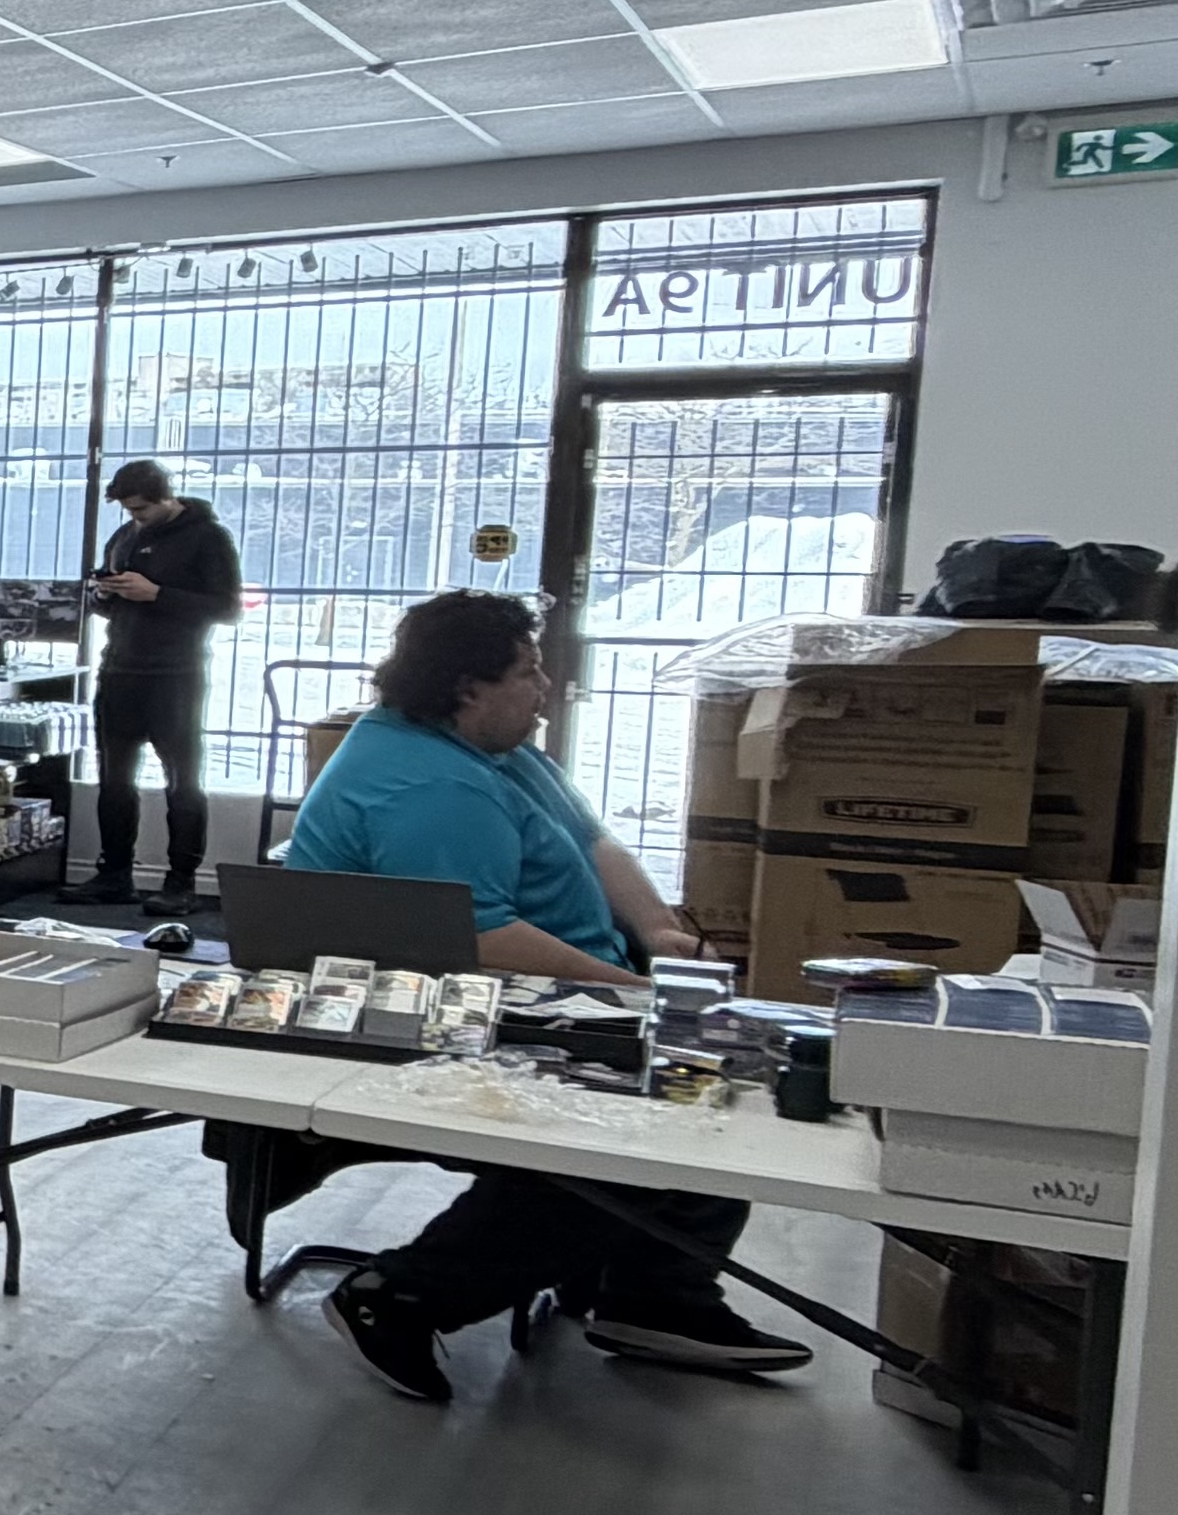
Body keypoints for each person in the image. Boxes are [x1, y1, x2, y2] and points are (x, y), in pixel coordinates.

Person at [280, 589, 814, 1403]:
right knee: (621, 1140)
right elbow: (480, 938)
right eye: (529, 671)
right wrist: (633, 988)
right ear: (468, 688)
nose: (547, 686)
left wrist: (657, 932)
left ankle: (654, 1296)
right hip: (448, 1012)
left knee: (708, 1083)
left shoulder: (495, 750)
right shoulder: (429, 785)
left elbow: (591, 840)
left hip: (556, 994)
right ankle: (398, 1295)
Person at [84, 459, 239, 910]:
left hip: (176, 675)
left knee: (182, 781)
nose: (136, 518)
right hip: (119, 670)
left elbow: (228, 609)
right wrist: (104, 594)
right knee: (113, 780)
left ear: (167, 497)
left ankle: (181, 882)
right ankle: (114, 874)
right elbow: (108, 608)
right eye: (129, 511)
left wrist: (157, 593)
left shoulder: (209, 537)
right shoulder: (124, 537)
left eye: (143, 510)